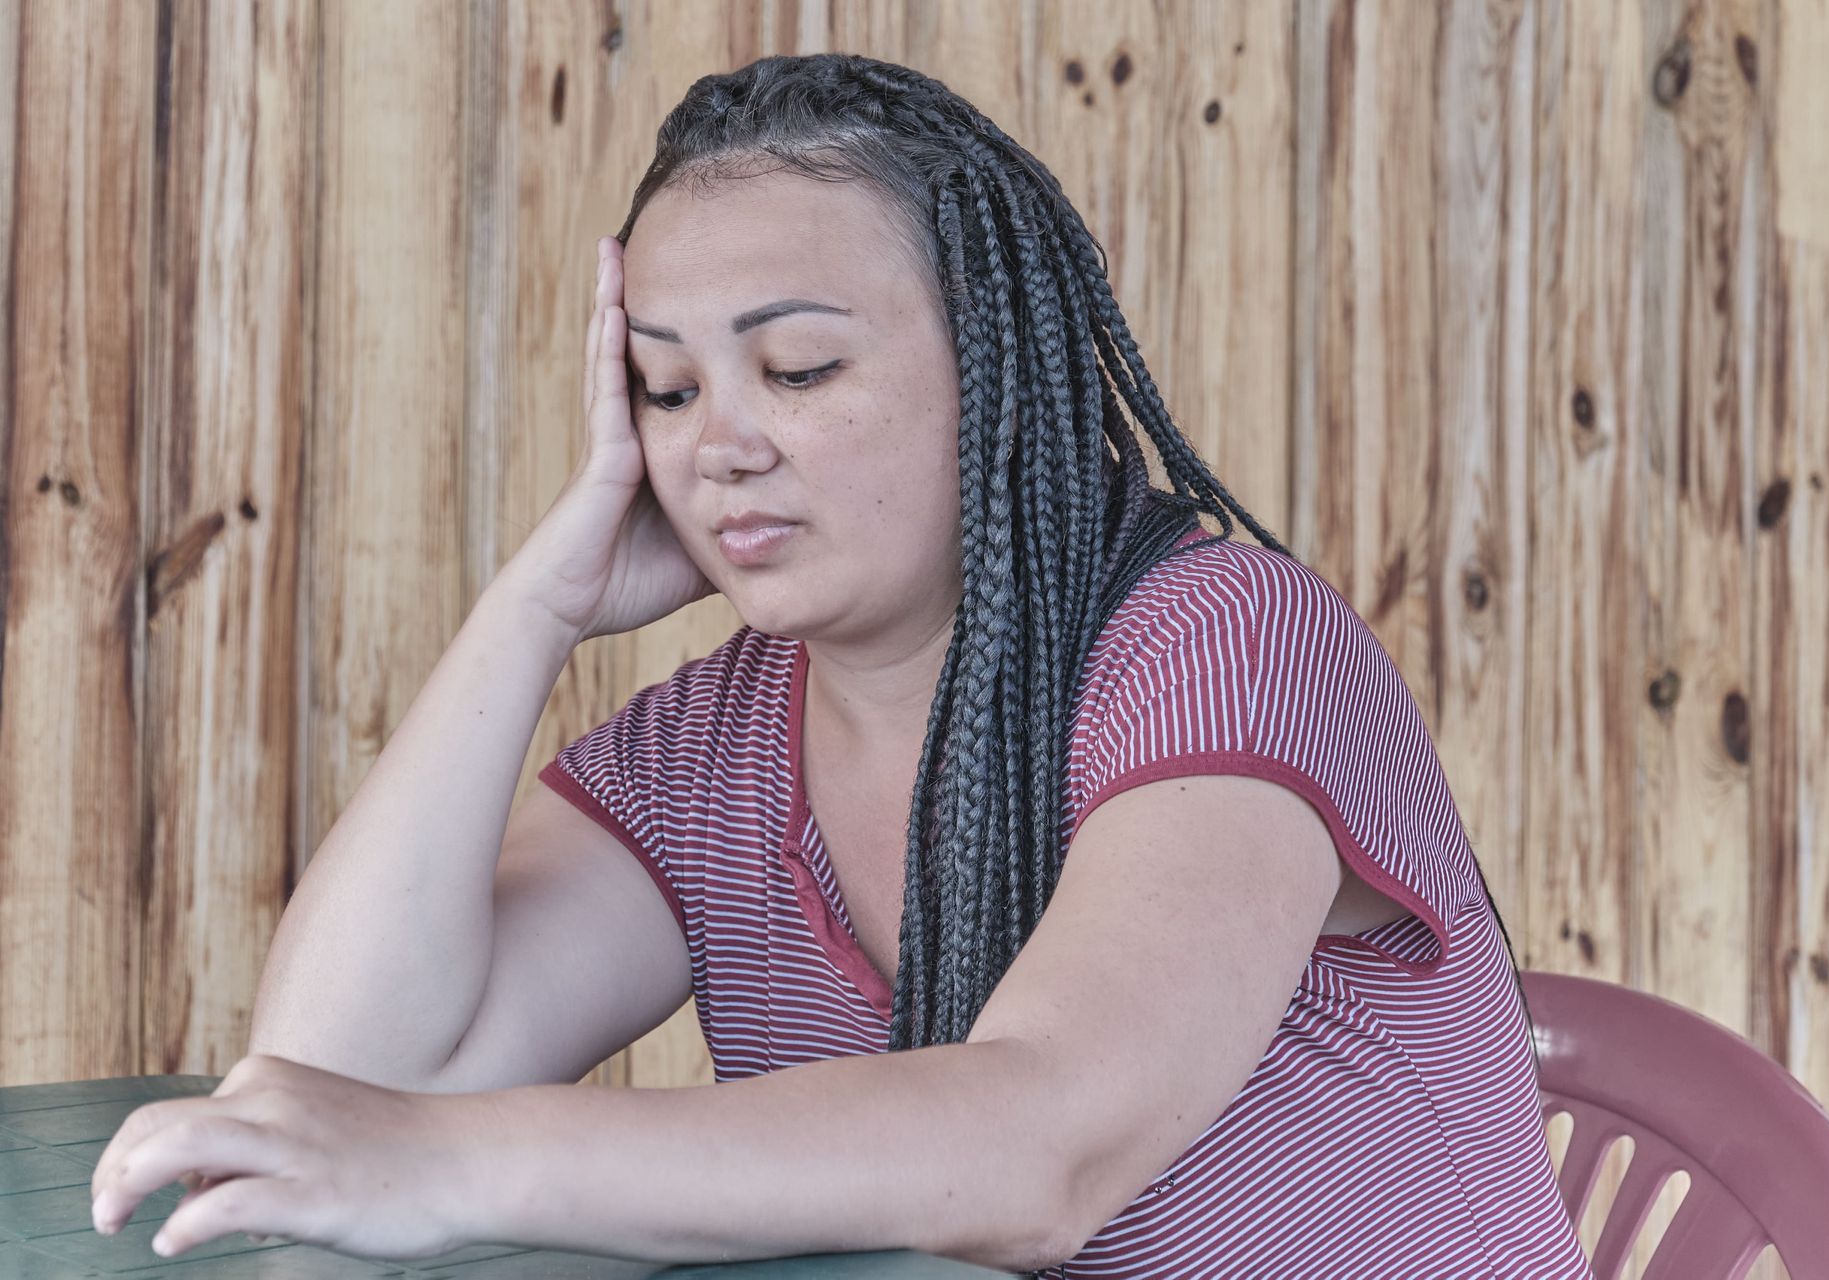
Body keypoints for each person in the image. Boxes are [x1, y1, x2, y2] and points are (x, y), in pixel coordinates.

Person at [91, 52, 1591, 1278]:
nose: (717, 442)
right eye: (667, 387)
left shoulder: (1226, 645)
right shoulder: (711, 748)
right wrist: (537, 601)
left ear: (1000, 372)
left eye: (798, 368)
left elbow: (1037, 1148)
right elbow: (344, 1078)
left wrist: (446, 1166)